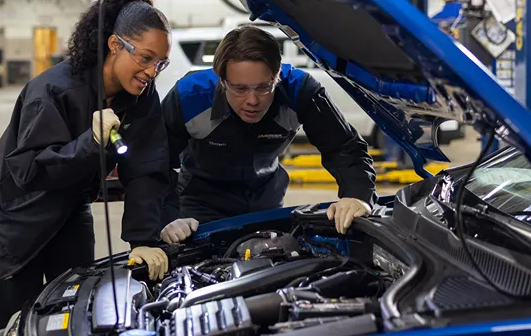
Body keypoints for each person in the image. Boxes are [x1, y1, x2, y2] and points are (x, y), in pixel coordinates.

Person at [0, 0, 173, 330]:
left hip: (70, 206)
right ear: (115, 45)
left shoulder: (141, 96)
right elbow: (30, 171)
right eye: (145, 58)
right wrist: (90, 143)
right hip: (17, 216)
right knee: (18, 326)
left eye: (160, 63)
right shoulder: (53, 91)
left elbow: (146, 166)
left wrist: (142, 239)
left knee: (76, 308)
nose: (151, 72)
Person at [159, 24, 377, 244]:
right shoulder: (190, 97)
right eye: (240, 89)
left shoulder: (300, 92)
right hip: (200, 204)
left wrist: (358, 195)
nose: (252, 101)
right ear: (222, 81)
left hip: (266, 202)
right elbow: (156, 161)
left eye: (264, 87)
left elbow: (343, 146)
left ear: (277, 76)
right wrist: (168, 216)